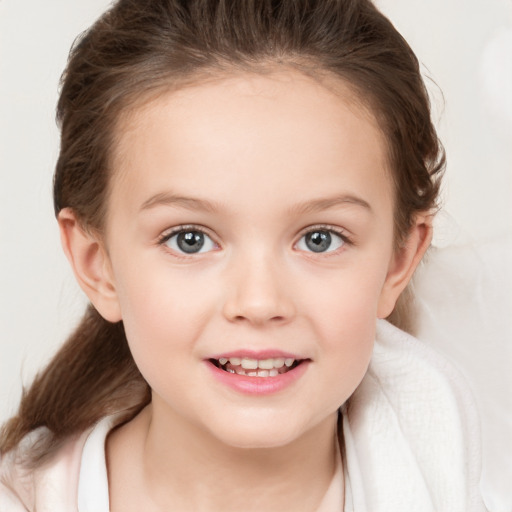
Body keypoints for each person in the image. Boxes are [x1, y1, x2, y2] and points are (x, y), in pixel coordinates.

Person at [0, 0, 486, 510]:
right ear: (97, 264)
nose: (258, 302)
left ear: (398, 260)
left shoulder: (452, 480)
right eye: (190, 239)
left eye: (320, 238)